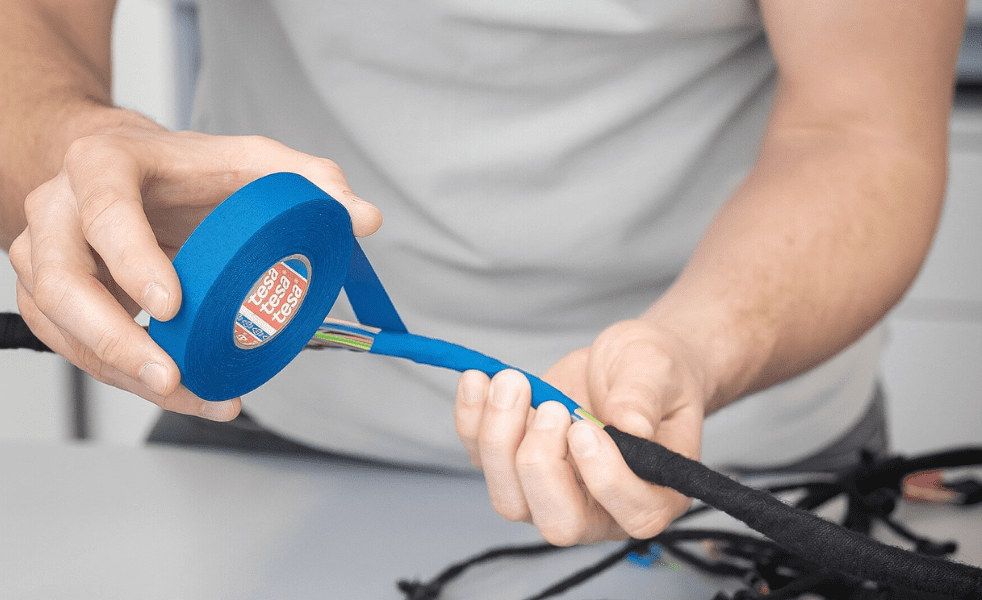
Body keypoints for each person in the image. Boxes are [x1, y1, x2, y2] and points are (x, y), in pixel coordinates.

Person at [0, 0, 966, 546]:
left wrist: (694, 348)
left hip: (730, 448)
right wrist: (70, 141)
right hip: (268, 404)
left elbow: (864, 131)